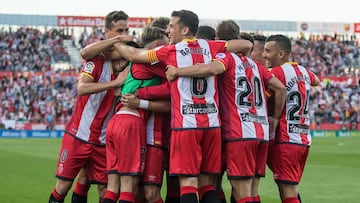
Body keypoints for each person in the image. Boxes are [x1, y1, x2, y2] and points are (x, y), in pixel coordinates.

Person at [113, 9, 253, 203]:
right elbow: (246, 44)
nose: (169, 30)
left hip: (186, 125)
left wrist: (116, 42)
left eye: (172, 26)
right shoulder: (211, 46)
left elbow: (135, 55)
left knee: (187, 183)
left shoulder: (170, 51)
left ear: (185, 29)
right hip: (212, 125)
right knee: (206, 184)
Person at [165, 21, 286, 203]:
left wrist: (178, 72)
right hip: (260, 131)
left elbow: (211, 69)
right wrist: (275, 117)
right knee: (252, 190)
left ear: (217, 39)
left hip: (239, 133)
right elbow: (279, 87)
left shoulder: (225, 58)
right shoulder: (255, 66)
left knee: (238, 189)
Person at [48, 10, 133, 203]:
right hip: (78, 135)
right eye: (119, 30)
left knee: (105, 190)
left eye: (126, 29)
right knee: (63, 187)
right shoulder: (96, 61)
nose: (124, 33)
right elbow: (82, 88)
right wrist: (114, 84)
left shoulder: (130, 58)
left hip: (103, 141)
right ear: (107, 31)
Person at [102, 25, 170, 203]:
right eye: (166, 45)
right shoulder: (151, 62)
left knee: (112, 187)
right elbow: (173, 87)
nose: (169, 49)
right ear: (156, 45)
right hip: (131, 123)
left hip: (116, 121)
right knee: (128, 188)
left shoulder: (134, 62)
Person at [263, 34, 320, 203]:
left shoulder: (275, 73)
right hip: (303, 139)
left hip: (285, 140)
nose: (265, 55)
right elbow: (316, 80)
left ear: (281, 54)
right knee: (288, 189)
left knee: (288, 193)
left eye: (268, 51)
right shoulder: (304, 71)